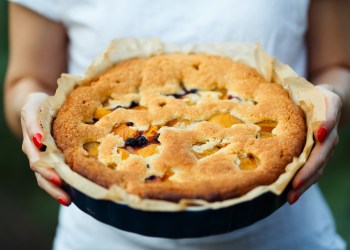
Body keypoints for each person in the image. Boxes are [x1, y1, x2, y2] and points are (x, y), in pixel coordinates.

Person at [4, 0, 350, 249]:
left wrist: (329, 100)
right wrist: (33, 113)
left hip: (285, 237)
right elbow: (27, 78)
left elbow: (337, 65)